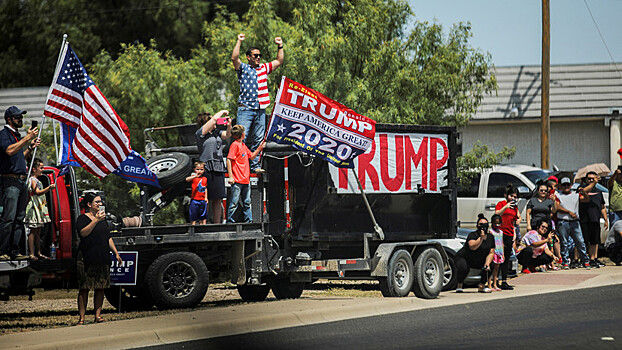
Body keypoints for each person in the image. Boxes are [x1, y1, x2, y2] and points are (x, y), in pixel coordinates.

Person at [231, 33, 284, 172]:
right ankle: (237, 165)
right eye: (255, 56)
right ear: (249, 57)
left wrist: (280, 45)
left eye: (259, 55)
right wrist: (239, 41)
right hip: (246, 108)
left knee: (259, 139)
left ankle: (255, 166)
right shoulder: (243, 68)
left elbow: (279, 61)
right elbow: (234, 58)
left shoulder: (264, 68)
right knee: (240, 136)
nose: (258, 57)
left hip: (260, 108)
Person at [0, 106, 40, 261]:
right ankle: (3, 250)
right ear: (9, 119)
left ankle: (14, 251)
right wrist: (27, 138)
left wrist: (29, 148)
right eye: (17, 117)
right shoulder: (4, 135)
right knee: (8, 218)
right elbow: (9, 151)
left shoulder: (17, 136)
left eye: (21, 117)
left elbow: (18, 157)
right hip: (10, 181)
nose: (20, 120)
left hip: (21, 181)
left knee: (19, 218)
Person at [75, 193, 122, 325]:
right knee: (84, 288)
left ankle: (98, 316)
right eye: (97, 202)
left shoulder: (103, 220)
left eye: (101, 202)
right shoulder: (82, 219)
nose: (100, 204)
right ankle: (82, 318)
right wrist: (95, 220)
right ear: (89, 205)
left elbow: (108, 237)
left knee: (100, 287)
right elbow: (83, 233)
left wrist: (116, 253)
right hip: (86, 258)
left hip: (102, 257)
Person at [195, 110, 232, 224]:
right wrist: (222, 112)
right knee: (205, 197)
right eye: (211, 121)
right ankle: (203, 222)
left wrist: (229, 125)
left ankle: (217, 223)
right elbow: (214, 119)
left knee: (218, 197)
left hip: (218, 166)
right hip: (206, 167)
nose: (215, 124)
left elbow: (227, 135)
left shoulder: (216, 132)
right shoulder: (201, 133)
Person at [226, 125, 265, 223]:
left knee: (247, 202)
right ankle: (230, 221)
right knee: (234, 203)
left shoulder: (243, 145)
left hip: (245, 180)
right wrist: (231, 177)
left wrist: (259, 148)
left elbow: (251, 156)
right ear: (243, 134)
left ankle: (249, 221)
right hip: (237, 180)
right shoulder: (235, 145)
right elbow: (229, 160)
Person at [556, 176, 595, 269]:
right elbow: (557, 207)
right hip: (563, 221)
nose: (566, 186)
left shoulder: (575, 194)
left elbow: (586, 200)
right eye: (564, 185)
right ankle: (565, 262)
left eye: (567, 184)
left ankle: (585, 260)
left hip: (575, 222)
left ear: (571, 185)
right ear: (560, 186)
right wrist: (569, 212)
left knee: (580, 241)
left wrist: (584, 193)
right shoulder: (558, 195)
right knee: (564, 243)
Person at [454, 214, 494, 293]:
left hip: (478, 259)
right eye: (481, 224)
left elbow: (491, 252)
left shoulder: (490, 237)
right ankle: (459, 285)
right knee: (464, 268)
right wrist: (481, 238)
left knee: (490, 266)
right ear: (477, 226)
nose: (483, 226)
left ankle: (481, 286)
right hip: (465, 257)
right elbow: (472, 247)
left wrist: (487, 263)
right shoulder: (472, 235)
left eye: (485, 224)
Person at [25, 158, 55, 260]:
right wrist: (49, 188)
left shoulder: (37, 180)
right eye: (40, 168)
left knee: (38, 231)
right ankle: (31, 253)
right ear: (34, 169)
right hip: (34, 208)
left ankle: (38, 252)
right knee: (33, 231)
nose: (42, 170)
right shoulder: (33, 180)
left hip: (39, 208)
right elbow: (37, 192)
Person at [494, 184, 521, 290]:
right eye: (511, 196)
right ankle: (495, 281)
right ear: (506, 195)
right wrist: (505, 206)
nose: (513, 198)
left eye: (515, 197)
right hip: (499, 234)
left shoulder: (515, 208)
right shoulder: (501, 204)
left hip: (509, 234)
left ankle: (504, 280)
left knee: (506, 259)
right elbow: (496, 214)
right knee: (498, 258)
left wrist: (514, 233)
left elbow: (514, 221)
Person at [579, 171, 607, 268]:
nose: (591, 180)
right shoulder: (582, 189)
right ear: (586, 180)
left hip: (595, 219)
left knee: (595, 241)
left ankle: (593, 258)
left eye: (593, 178)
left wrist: (606, 219)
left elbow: (602, 206)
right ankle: (581, 259)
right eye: (589, 178)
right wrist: (594, 183)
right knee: (584, 241)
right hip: (584, 219)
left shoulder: (599, 192)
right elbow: (584, 192)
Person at [186, 161, 208, 225]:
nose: (199, 171)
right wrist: (195, 176)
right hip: (194, 199)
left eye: (201, 169)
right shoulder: (193, 177)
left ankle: (201, 226)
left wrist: (206, 197)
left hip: (202, 200)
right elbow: (187, 179)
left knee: (202, 215)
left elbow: (205, 188)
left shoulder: (204, 178)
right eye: (197, 169)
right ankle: (193, 226)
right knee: (193, 215)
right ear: (194, 170)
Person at [489, 214, 505, 292]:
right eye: (495, 223)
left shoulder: (501, 232)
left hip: (500, 252)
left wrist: (503, 254)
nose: (497, 225)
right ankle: (489, 284)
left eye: (499, 223)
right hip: (493, 252)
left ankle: (495, 284)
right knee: (491, 269)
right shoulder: (491, 232)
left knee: (497, 270)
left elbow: (502, 243)